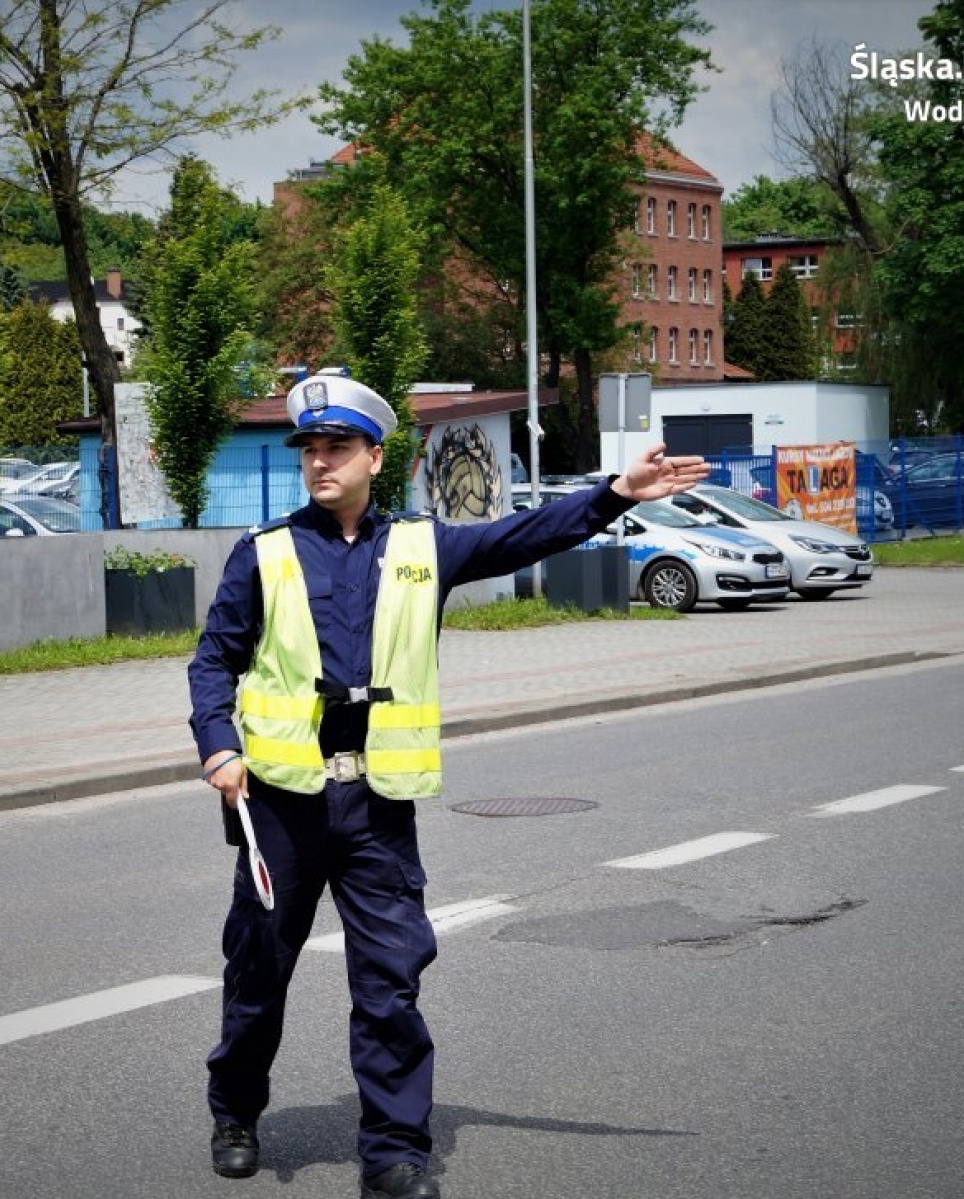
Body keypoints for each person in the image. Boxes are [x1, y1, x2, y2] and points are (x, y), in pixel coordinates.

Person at [188, 369, 710, 1198]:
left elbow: (521, 536)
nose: (320, 461)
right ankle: (236, 1113)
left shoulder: (422, 547)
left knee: (390, 983)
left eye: (337, 447)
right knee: (258, 973)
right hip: (282, 807)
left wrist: (615, 494)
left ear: (375, 457)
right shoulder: (265, 552)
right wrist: (218, 747)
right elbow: (213, 660)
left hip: (378, 806)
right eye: (310, 449)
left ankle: (394, 1152)